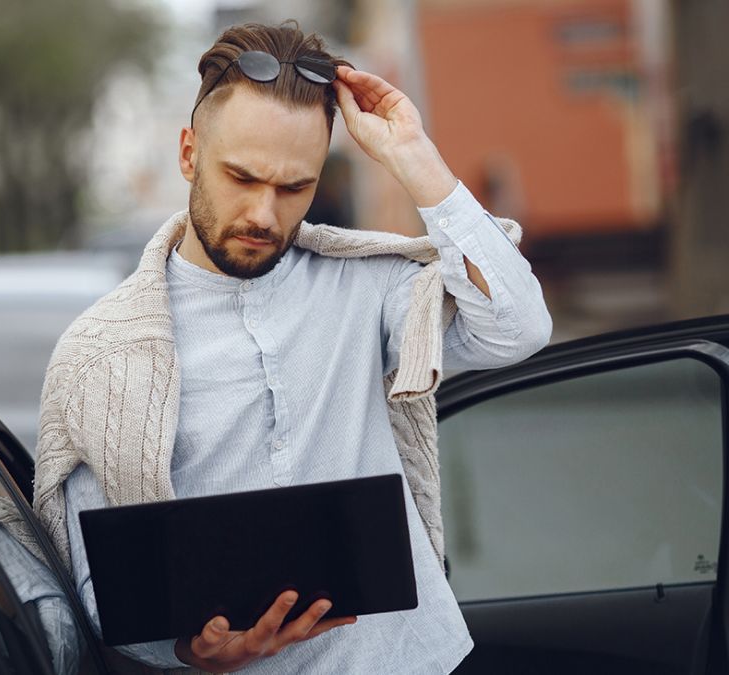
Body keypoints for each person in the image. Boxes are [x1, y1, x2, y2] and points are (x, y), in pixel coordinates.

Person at [33, 21, 552, 674]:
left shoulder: (367, 289)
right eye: (242, 177)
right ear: (189, 153)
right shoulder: (100, 356)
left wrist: (414, 157)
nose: (263, 213)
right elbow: (95, 585)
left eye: (292, 188)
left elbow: (518, 327)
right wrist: (190, 646)